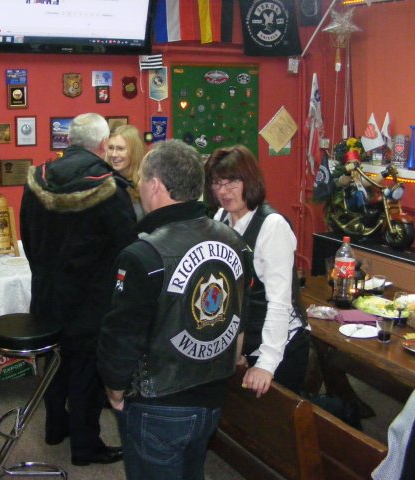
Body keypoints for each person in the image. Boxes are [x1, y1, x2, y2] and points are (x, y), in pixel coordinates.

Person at [98, 139, 250, 480]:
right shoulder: (235, 242)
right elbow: (241, 321)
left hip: (158, 402)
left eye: (141, 179)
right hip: (213, 395)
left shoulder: (142, 255)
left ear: (155, 185)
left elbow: (121, 335)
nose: (139, 186)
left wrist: (114, 389)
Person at [20, 112, 136, 466]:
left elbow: (27, 237)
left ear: (69, 141)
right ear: (102, 145)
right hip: (91, 300)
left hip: (46, 293)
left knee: (54, 363)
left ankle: (55, 427)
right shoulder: (110, 189)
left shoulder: (37, 179)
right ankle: (86, 446)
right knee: (85, 372)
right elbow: (127, 249)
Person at [204, 145, 310, 397]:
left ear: (249, 181)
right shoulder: (221, 217)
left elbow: (279, 302)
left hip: (279, 346)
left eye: (232, 182)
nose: (224, 191)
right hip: (246, 341)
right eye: (217, 183)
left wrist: (266, 362)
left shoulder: (272, 226)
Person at [105, 124, 145, 220]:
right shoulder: (104, 183)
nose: (114, 154)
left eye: (120, 149)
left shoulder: (148, 183)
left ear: (135, 152)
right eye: (110, 148)